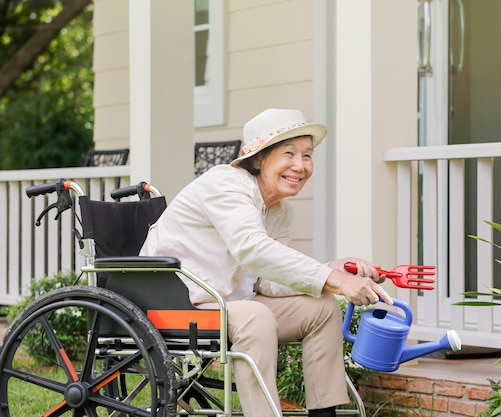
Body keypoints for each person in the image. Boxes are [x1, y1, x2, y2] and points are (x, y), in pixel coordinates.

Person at [140, 108, 392, 417]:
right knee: (256, 316)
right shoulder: (225, 185)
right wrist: (336, 279)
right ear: (259, 158)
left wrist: (332, 269)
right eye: (289, 153)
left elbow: (267, 278)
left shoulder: (280, 211)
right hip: (179, 301)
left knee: (322, 307)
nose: (300, 166)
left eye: (307, 155)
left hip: (229, 302)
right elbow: (253, 251)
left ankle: (323, 413)